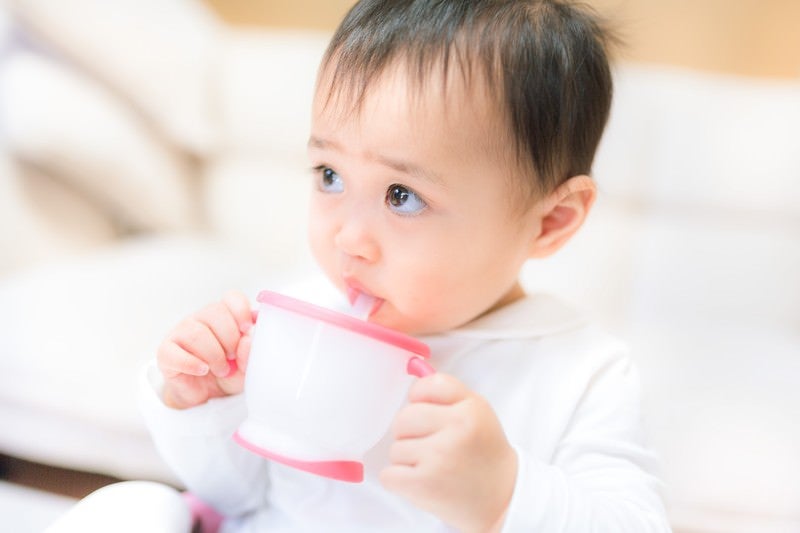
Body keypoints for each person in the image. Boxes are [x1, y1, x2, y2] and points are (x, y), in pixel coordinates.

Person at [54, 1, 670, 531]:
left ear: (550, 221)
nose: (348, 238)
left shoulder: (581, 375)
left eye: (402, 195)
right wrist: (205, 403)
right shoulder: (302, 314)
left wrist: (505, 494)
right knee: (132, 509)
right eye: (330, 175)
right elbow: (238, 495)